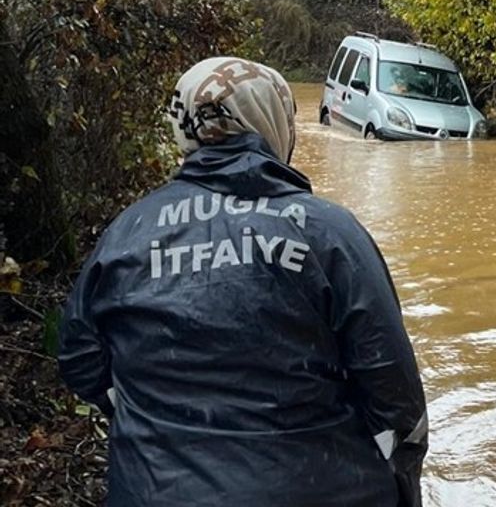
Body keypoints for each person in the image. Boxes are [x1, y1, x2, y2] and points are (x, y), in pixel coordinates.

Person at [58, 57, 429, 507]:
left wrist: (150, 419)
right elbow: (396, 398)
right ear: (274, 122)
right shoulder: (330, 233)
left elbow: (79, 358)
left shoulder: (126, 232)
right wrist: (404, 484)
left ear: (184, 126)